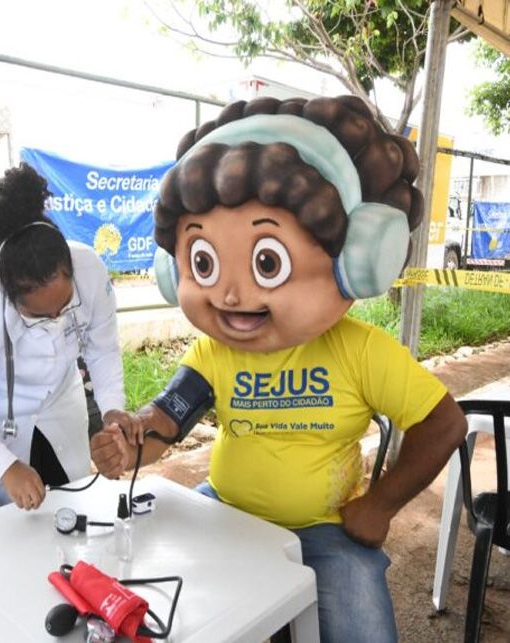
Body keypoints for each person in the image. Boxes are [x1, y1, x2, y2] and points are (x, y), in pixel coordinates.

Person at [89, 96, 468, 642]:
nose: (231, 294)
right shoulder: (215, 353)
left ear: (357, 258)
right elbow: (168, 418)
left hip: (325, 535)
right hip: (224, 516)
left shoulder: (361, 350)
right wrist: (131, 439)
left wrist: (380, 504)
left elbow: (445, 423)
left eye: (267, 262)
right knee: (165, 614)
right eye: (204, 262)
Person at [0, 163, 140, 511]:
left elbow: (102, 349)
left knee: (73, 507)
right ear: (7, 293)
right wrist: (4, 466)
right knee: (12, 521)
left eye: (64, 306)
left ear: (70, 268)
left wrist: (113, 407)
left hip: (62, 408)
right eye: (39, 316)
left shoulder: (90, 270)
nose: (55, 320)